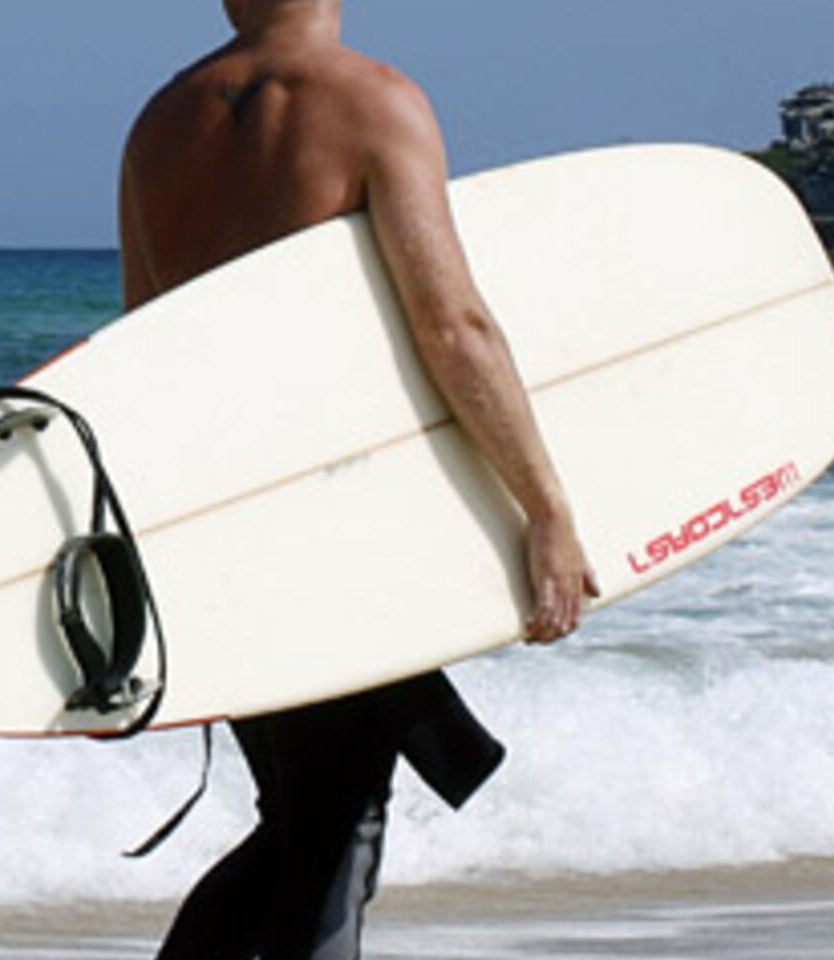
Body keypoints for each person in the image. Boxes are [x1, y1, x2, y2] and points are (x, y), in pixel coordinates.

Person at [118, 3, 599, 957]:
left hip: (209, 521)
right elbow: (454, 326)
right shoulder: (375, 102)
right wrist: (545, 507)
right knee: (336, 832)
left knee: (307, 818)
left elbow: (140, 353)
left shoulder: (160, 125)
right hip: (337, 521)